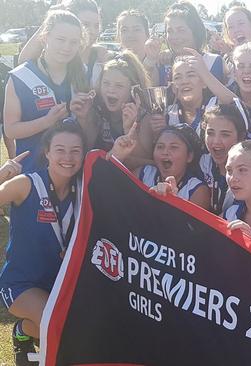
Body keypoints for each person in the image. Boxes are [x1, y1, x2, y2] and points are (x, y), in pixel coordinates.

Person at [0, 121, 85, 366]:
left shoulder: (82, 190)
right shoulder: (26, 184)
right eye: (60, 149)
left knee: (68, 322)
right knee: (61, 324)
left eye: (75, 150)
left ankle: (23, 329)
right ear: (46, 151)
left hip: (61, 284)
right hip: (22, 284)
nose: (67, 157)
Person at [4, 10, 87, 173]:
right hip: (33, 173)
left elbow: (90, 129)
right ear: (45, 37)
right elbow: (10, 129)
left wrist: (85, 116)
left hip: (73, 173)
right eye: (61, 40)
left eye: (74, 42)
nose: (67, 47)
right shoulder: (21, 77)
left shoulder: (82, 74)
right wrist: (46, 121)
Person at [72, 50, 155, 169]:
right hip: (103, 173)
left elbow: (146, 161)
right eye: (106, 83)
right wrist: (83, 118)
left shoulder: (143, 115)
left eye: (119, 86)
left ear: (133, 89)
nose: (111, 90)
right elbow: (88, 149)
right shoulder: (97, 109)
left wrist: (129, 129)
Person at [112, 123, 210, 209]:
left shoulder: (197, 190)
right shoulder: (144, 173)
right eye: (160, 146)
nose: (165, 152)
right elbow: (116, 194)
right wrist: (117, 156)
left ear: (189, 156)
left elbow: (190, 229)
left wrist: (172, 201)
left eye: (174, 147)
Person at [19, 0, 110, 86]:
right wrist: (53, 19)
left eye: (97, 25)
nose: (92, 31)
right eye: (85, 25)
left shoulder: (101, 58)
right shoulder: (54, 56)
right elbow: (24, 62)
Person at [154, 1, 227, 87]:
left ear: (195, 31)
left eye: (181, 30)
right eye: (170, 31)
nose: (175, 36)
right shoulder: (163, 62)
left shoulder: (213, 62)